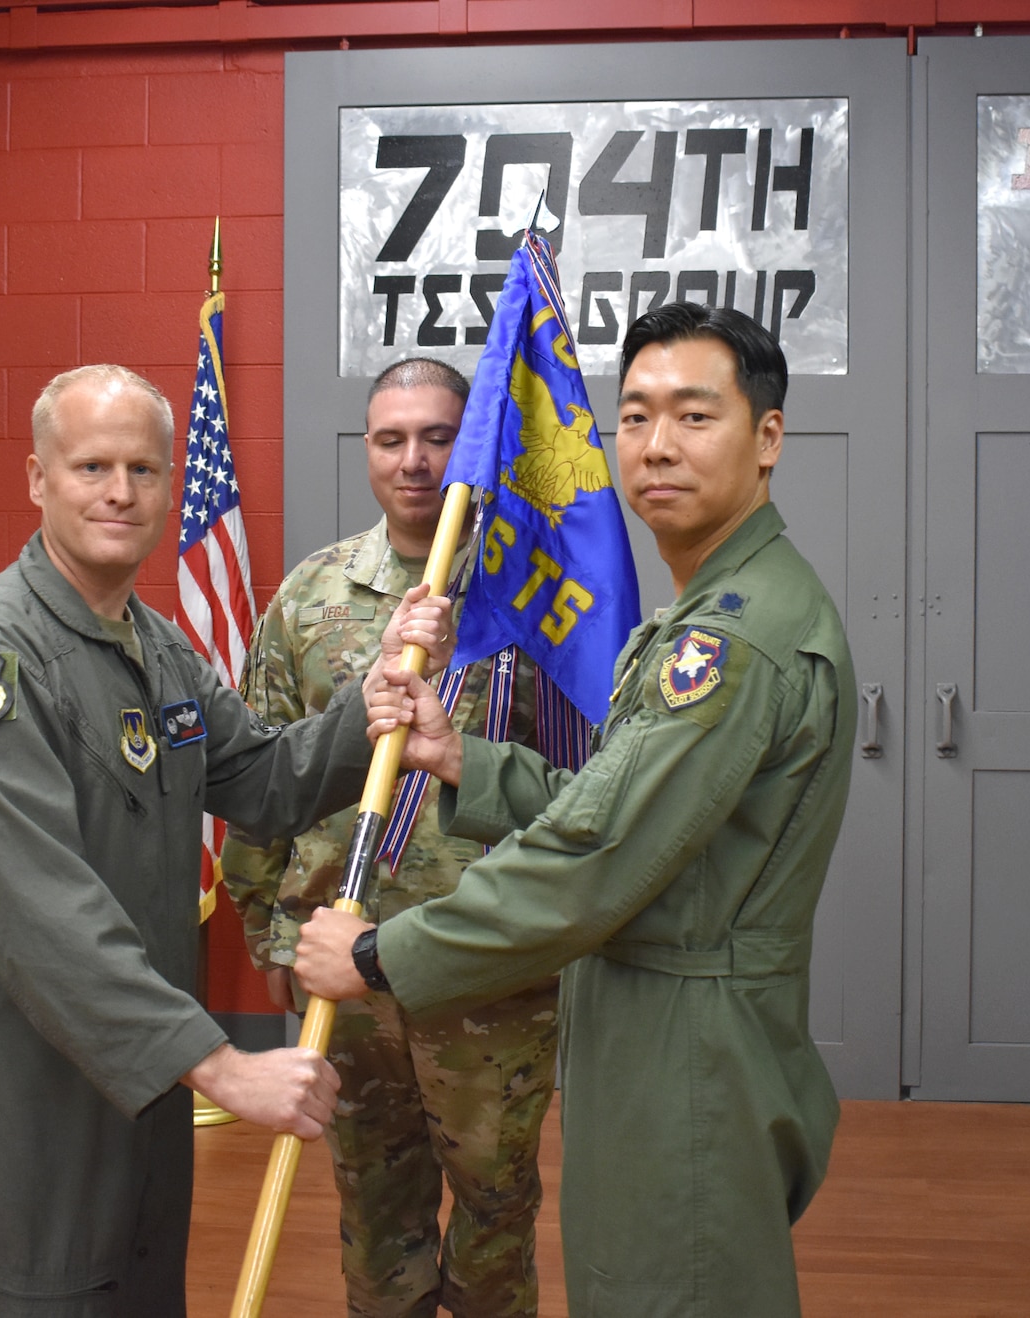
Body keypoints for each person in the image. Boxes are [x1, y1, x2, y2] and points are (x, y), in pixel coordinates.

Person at [295, 303, 856, 1316]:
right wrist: (461, 757)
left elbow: (594, 856)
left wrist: (382, 955)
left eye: (693, 416)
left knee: (665, 1288)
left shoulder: (729, 642)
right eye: (633, 418)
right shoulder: (707, 607)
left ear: (766, 438)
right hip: (655, 1027)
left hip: (686, 1046)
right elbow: (610, 803)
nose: (654, 447)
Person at [0, 363, 436, 1317]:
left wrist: (372, 697)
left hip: (137, 1076)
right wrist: (222, 1066)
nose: (120, 492)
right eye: (91, 466)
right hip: (19, 1083)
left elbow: (265, 780)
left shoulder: (158, 647)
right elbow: (39, 915)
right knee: (29, 1291)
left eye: (145, 469)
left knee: (130, 1284)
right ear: (37, 479)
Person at [220, 357, 557, 1318]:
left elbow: (581, 792)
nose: (413, 461)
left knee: (498, 1208)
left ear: (473, 445)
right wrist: (268, 934)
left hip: (488, 964)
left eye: (438, 436)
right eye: (390, 438)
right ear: (366, 449)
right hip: (345, 973)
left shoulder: (534, 598)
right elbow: (260, 783)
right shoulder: (310, 597)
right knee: (374, 1207)